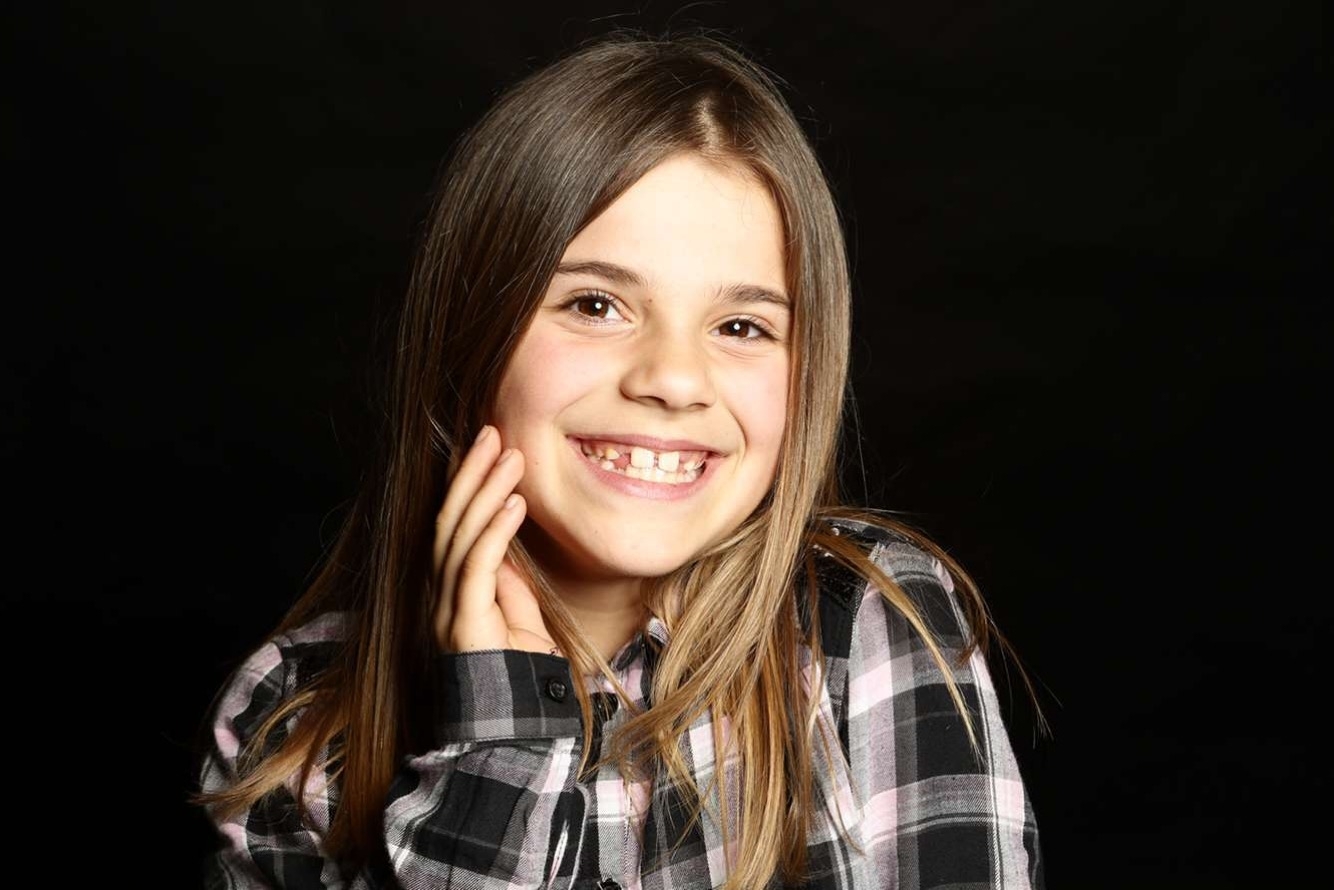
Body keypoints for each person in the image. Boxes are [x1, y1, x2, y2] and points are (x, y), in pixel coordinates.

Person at [194, 29, 1045, 890]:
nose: (673, 379)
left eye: (741, 326)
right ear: (468, 338)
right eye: (596, 305)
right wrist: (501, 732)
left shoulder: (866, 623)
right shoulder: (292, 721)